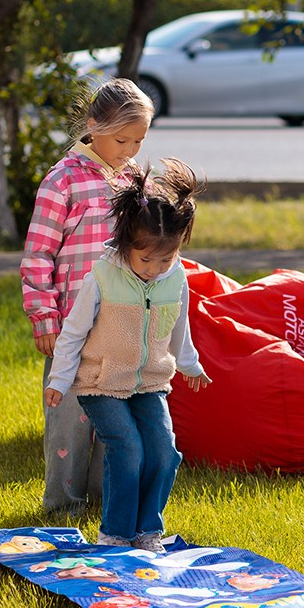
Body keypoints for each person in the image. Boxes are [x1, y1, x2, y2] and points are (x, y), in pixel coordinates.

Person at [43, 158, 210, 552]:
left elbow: (178, 327)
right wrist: (59, 380)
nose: (154, 268)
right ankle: (115, 534)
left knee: (164, 451)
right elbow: (73, 333)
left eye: (164, 259)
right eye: (145, 259)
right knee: (128, 448)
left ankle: (146, 530)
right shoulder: (102, 276)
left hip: (150, 382)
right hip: (100, 382)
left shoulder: (177, 277)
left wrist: (190, 364)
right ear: (125, 244)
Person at [21, 78, 153, 514]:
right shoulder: (63, 181)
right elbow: (39, 253)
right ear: (94, 125)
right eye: (121, 139)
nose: (130, 150)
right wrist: (45, 319)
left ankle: (104, 502)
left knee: (115, 416)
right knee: (70, 420)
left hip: (122, 323)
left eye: (138, 140)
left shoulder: (133, 180)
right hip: (72, 328)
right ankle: (63, 506)